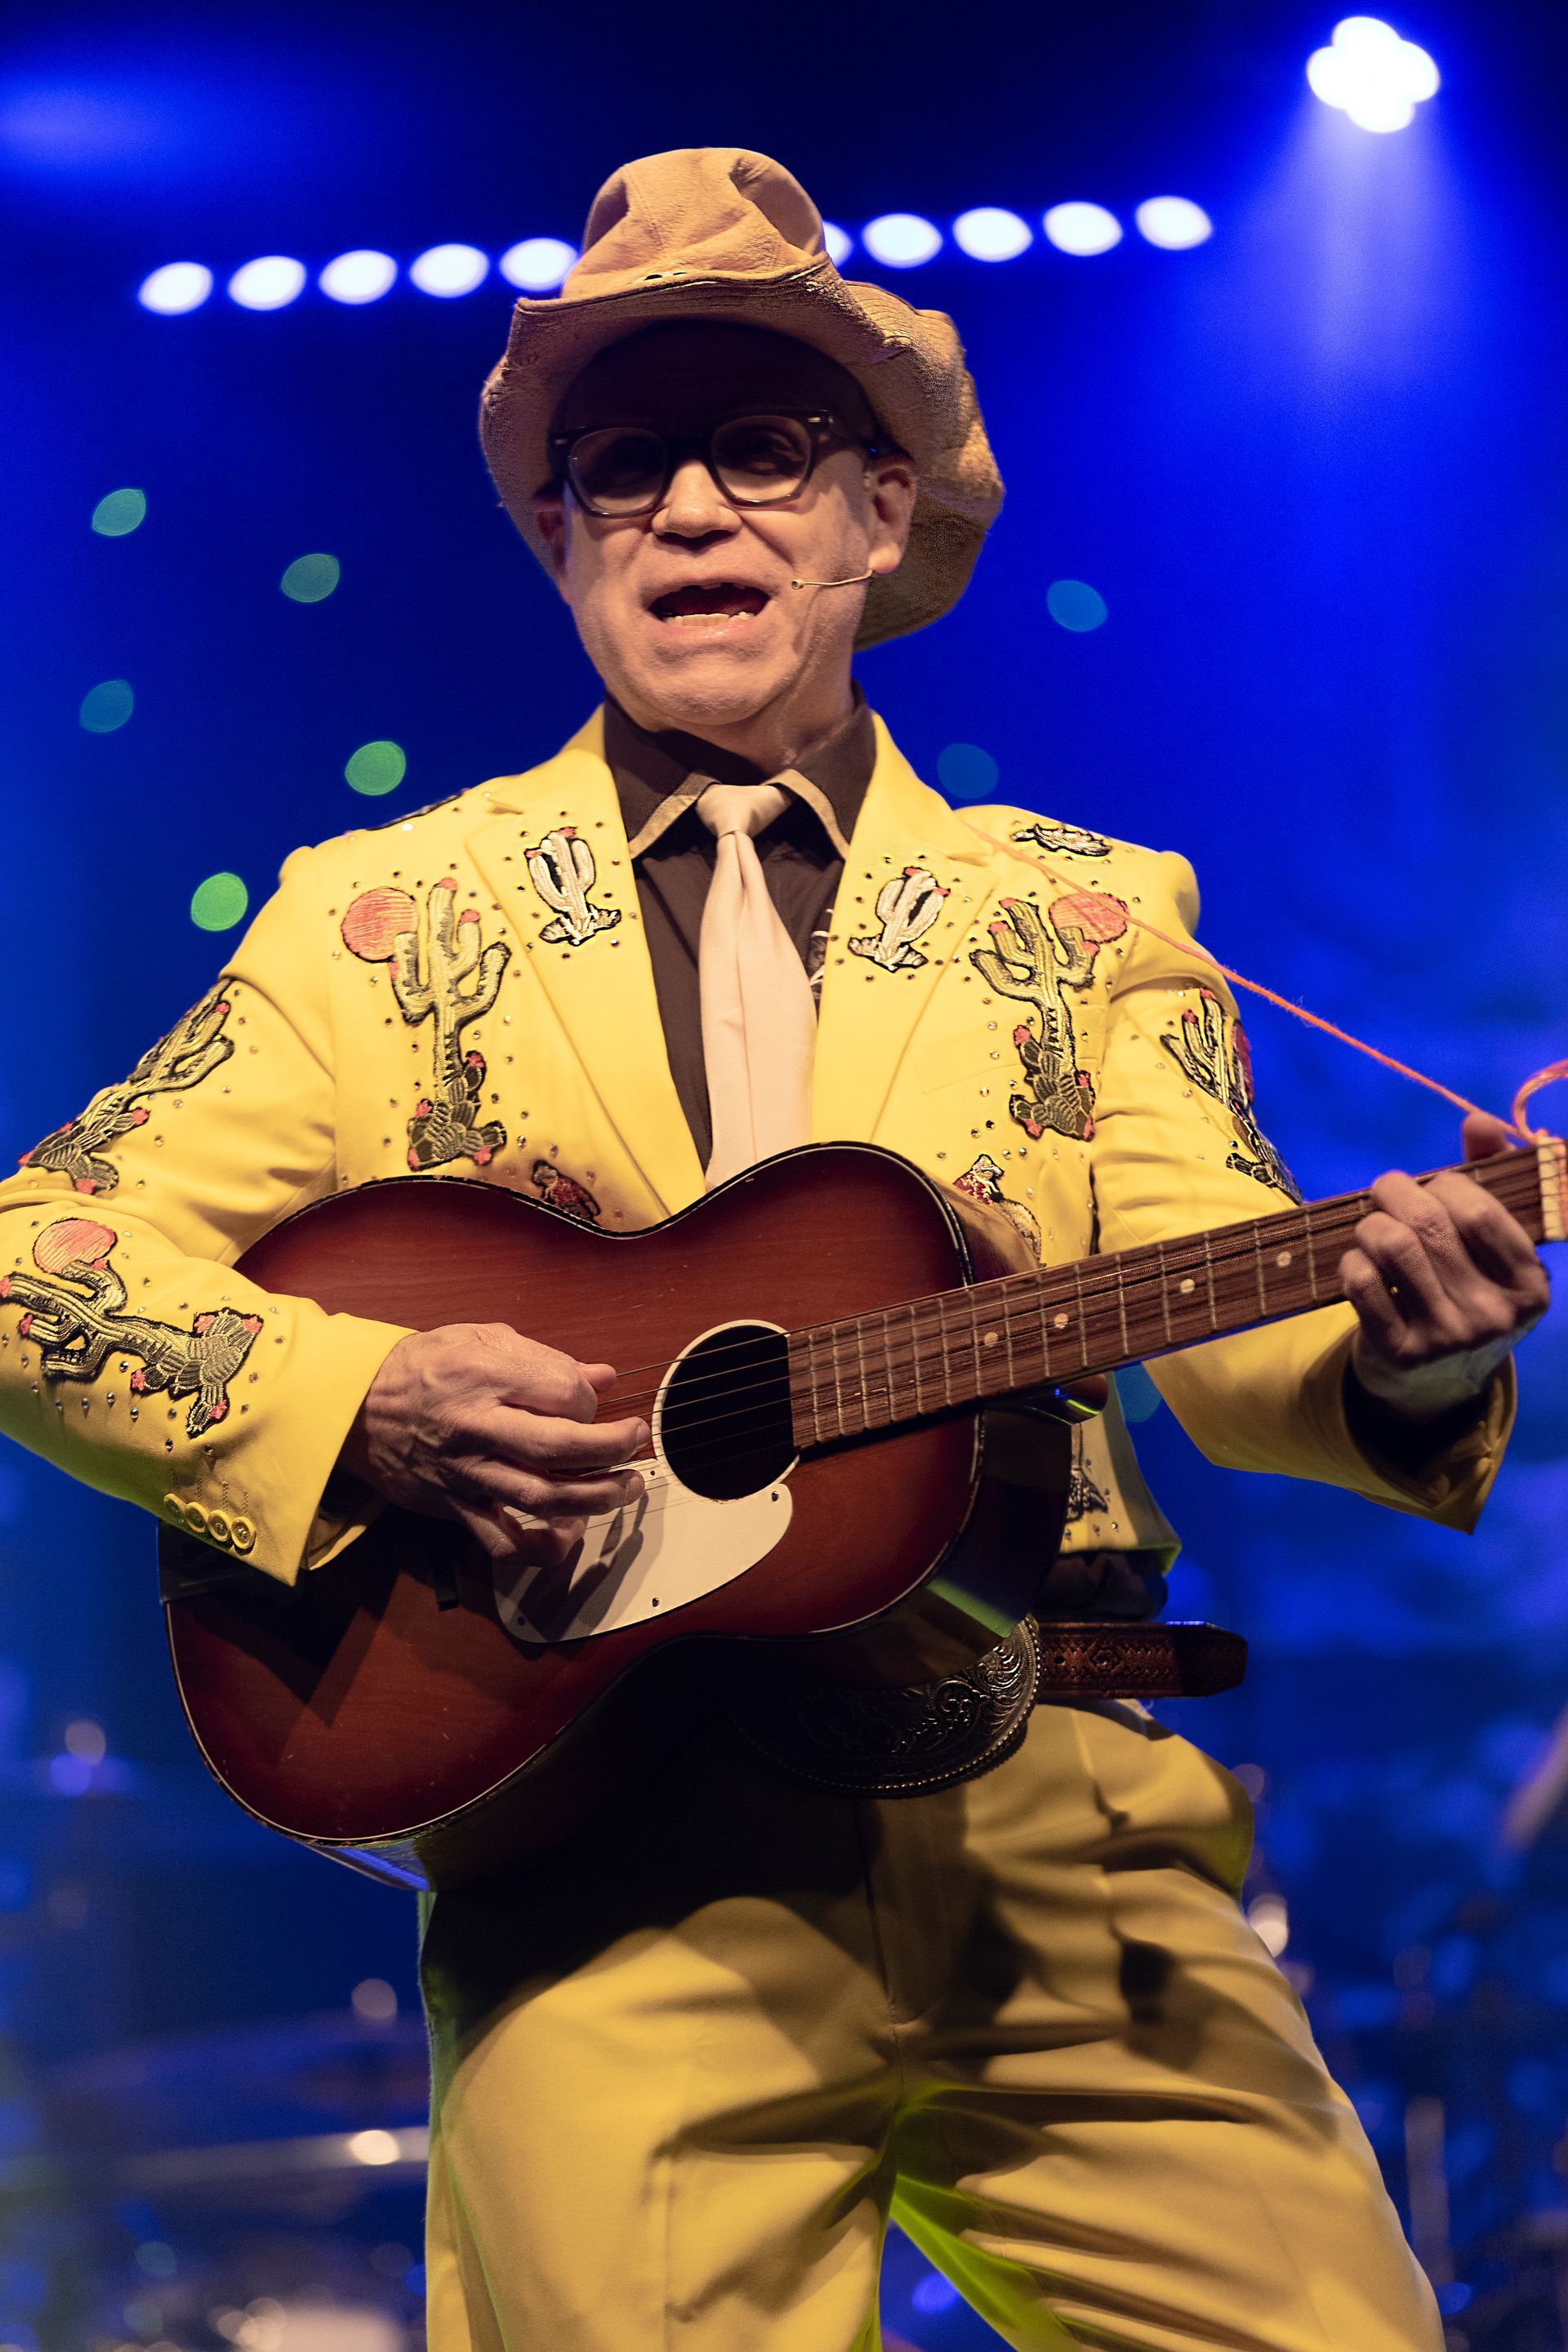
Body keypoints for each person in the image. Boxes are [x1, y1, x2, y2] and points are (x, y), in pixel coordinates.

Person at [0, 148, 1548, 2351]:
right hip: (610, 1878)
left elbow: (1228, 1333)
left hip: (1071, 1852)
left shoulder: (1091, 917)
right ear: (562, 540)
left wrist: (1413, 1353)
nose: (690, 509)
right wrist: (368, 1398)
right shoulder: (375, 923)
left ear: (880, 514)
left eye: (762, 446)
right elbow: (31, 1259)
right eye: (623, 467)